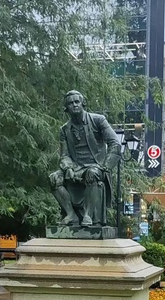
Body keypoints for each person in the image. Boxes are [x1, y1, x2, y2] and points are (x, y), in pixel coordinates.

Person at [50, 90, 121, 227]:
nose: (74, 105)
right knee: (54, 178)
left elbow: (115, 144)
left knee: (92, 173)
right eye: (71, 103)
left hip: (96, 166)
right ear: (66, 108)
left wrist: (105, 167)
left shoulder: (98, 120)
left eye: (77, 102)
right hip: (75, 166)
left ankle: (88, 215)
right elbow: (64, 155)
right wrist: (68, 167)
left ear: (83, 103)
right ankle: (71, 215)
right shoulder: (64, 129)